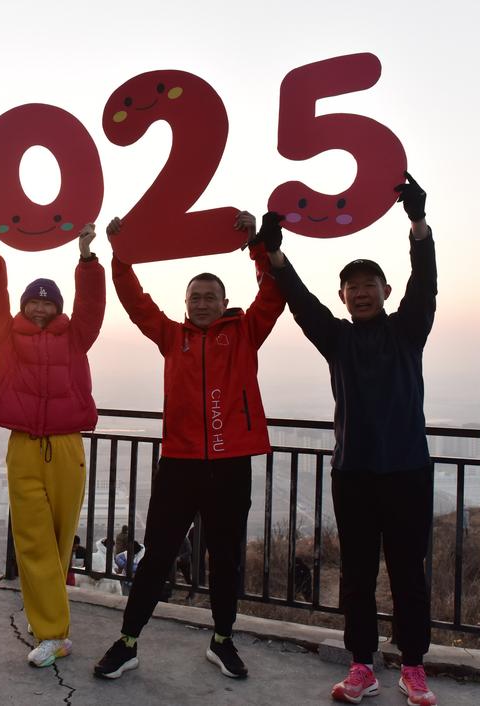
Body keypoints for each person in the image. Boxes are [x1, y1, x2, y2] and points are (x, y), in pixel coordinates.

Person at [262, 172, 438, 706]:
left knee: (408, 574)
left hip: (407, 470)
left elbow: (425, 283)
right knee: (357, 575)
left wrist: (418, 224)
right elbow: (300, 302)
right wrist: (275, 255)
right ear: (342, 296)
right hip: (354, 472)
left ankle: (413, 666)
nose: (361, 293)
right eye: (352, 288)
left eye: (369, 285)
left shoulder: (408, 329)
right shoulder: (336, 338)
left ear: (385, 292)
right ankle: (362, 665)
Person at [94, 211, 285, 680]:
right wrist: (121, 255)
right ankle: (128, 641)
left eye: (209, 297)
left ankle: (223, 640)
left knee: (225, 558)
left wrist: (259, 247)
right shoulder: (171, 337)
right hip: (179, 464)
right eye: (194, 297)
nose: (201, 303)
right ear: (185, 304)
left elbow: (273, 295)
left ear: (224, 302)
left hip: (231, 464)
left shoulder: (245, 332)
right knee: (157, 555)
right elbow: (136, 303)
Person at [0, 218, 105, 668]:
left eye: (48, 304)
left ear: (58, 309)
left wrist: (86, 258)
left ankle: (47, 610)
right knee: (32, 540)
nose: (39, 309)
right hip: (25, 446)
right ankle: (54, 633)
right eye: (33, 301)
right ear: (24, 304)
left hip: (67, 446)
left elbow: (92, 306)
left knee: (61, 537)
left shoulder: (76, 337)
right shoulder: (5, 336)